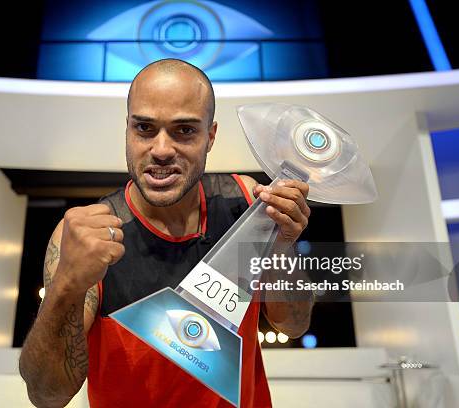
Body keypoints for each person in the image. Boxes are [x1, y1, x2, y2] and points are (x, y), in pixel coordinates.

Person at [19, 58, 313, 408]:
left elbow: (294, 325)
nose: (161, 150)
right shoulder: (86, 234)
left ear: (211, 136)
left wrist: (282, 244)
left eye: (184, 130)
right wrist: (67, 282)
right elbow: (46, 395)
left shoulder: (245, 206)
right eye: (144, 128)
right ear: (127, 130)